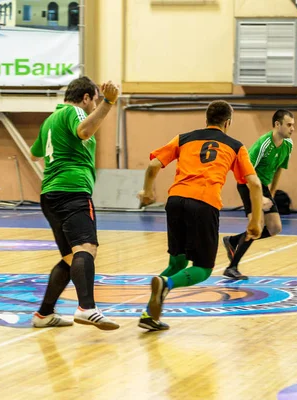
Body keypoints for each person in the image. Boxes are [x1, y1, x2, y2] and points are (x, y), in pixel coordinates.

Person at [137, 100, 263, 331]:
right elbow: (254, 183)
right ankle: (166, 284)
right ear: (227, 123)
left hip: (175, 201)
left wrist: (147, 192)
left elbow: (154, 166)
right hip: (204, 203)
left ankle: (149, 314)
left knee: (177, 262)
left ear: (206, 119)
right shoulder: (235, 146)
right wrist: (255, 220)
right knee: (203, 268)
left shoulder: (184, 138)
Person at [30, 76, 120, 330]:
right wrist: (109, 103)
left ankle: (44, 314)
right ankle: (86, 307)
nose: (94, 107)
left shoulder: (50, 120)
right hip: (72, 190)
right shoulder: (74, 112)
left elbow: (35, 152)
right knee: (86, 247)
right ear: (86, 98)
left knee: (70, 258)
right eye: (94, 101)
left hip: (50, 195)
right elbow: (85, 131)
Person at [221, 110, 295, 280]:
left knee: (275, 228)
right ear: (277, 124)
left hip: (262, 186)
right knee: (257, 225)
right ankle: (232, 267)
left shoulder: (288, 144)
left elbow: (279, 169)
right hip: (247, 182)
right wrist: (258, 197)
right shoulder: (263, 144)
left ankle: (233, 241)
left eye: (293, 125)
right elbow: (246, 171)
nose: (292, 129)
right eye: (289, 125)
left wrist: (272, 193)